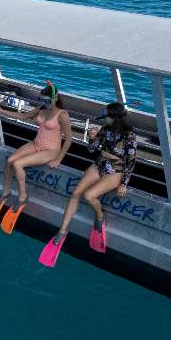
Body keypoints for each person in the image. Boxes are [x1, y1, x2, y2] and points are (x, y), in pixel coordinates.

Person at [0, 81, 72, 230]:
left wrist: (58, 159)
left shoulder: (62, 114)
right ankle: (6, 192)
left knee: (17, 164)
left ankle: (22, 197)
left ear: (55, 99)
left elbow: (68, 138)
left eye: (47, 101)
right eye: (41, 100)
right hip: (36, 144)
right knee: (10, 160)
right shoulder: (41, 108)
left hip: (50, 150)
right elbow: (23, 116)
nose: (44, 103)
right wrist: (1, 111)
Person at [48, 102, 137, 251]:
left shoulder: (129, 135)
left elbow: (131, 160)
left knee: (89, 196)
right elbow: (91, 150)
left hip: (116, 170)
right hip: (99, 164)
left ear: (113, 116)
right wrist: (93, 137)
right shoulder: (105, 129)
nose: (103, 116)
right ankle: (62, 231)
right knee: (76, 193)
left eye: (106, 113)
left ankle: (99, 216)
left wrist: (124, 183)